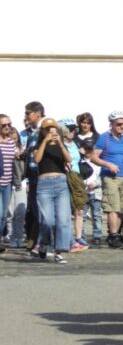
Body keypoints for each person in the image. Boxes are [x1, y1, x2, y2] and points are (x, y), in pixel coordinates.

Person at [90, 111, 123, 249]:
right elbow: (94, 157)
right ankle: (113, 235)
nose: (122, 127)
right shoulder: (104, 138)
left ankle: (116, 234)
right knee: (113, 207)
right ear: (111, 124)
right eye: (118, 124)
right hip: (110, 177)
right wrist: (108, 164)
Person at [33, 117, 72, 263]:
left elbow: (69, 160)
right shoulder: (38, 145)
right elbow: (37, 159)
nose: (50, 131)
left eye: (53, 128)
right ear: (42, 131)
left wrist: (60, 143)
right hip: (44, 184)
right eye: (47, 129)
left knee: (63, 220)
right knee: (47, 220)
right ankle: (44, 242)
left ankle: (59, 251)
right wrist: (45, 141)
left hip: (60, 183)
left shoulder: (60, 145)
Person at [59, 118, 88, 252]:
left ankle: (78, 236)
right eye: (70, 128)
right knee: (65, 209)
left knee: (79, 207)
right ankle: (66, 237)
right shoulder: (58, 144)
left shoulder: (76, 143)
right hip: (64, 178)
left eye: (74, 129)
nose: (73, 131)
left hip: (77, 177)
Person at [22, 101, 45, 254]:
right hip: (33, 178)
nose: (25, 116)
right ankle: (35, 241)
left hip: (43, 177)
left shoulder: (47, 130)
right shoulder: (32, 133)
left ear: (37, 114)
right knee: (36, 211)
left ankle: (41, 242)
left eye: (28, 113)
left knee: (43, 212)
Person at [8, 126, 27, 248]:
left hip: (21, 183)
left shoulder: (23, 150)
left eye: (15, 139)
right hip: (8, 183)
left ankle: (19, 236)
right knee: (9, 213)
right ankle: (11, 236)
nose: (14, 141)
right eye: (11, 138)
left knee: (20, 212)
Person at [81, 144, 103, 246]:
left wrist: (95, 184)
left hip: (96, 192)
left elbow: (101, 177)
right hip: (84, 192)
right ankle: (81, 236)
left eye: (91, 150)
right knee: (83, 215)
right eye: (87, 150)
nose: (89, 153)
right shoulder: (80, 162)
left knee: (96, 215)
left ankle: (97, 236)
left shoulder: (98, 163)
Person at [0, 114, 16, 251]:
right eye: (3, 125)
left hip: (8, 183)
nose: (7, 127)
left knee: (4, 215)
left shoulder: (11, 142)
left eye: (9, 124)